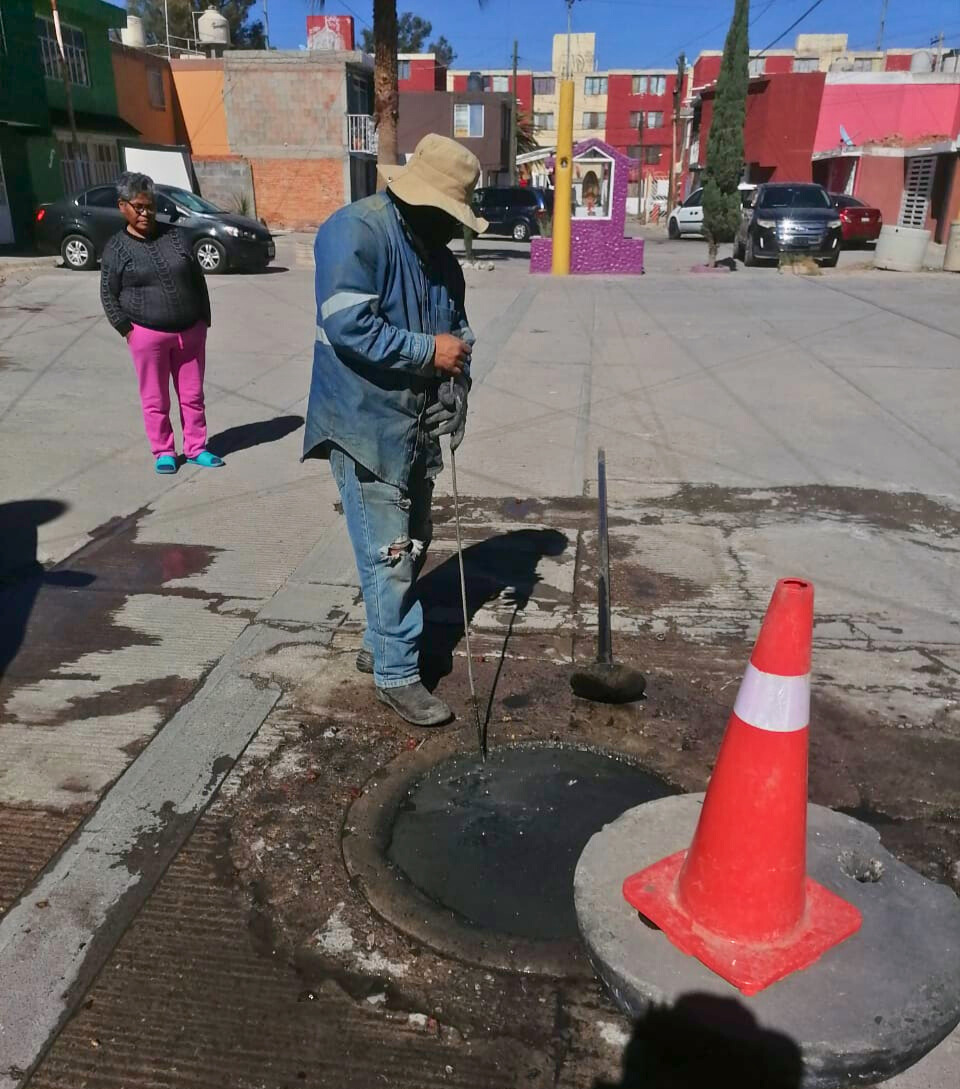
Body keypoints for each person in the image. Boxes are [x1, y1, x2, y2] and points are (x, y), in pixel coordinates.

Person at [303, 135, 488, 727]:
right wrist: (429, 351)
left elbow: (458, 340)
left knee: (414, 541)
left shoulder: (441, 261)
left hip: (415, 429)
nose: (454, 230)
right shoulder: (355, 232)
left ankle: (378, 642)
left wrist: (457, 394)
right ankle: (397, 673)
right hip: (363, 423)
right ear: (419, 199)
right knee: (390, 555)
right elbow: (350, 327)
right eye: (449, 216)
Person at [100, 172, 223, 475]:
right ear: (122, 206)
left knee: (193, 396)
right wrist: (126, 329)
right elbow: (108, 292)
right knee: (155, 398)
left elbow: (197, 279)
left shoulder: (177, 236)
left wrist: (203, 319)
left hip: (190, 331)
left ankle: (196, 447)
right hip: (146, 334)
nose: (145, 213)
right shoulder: (117, 248)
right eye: (138, 207)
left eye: (150, 206)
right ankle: (164, 451)